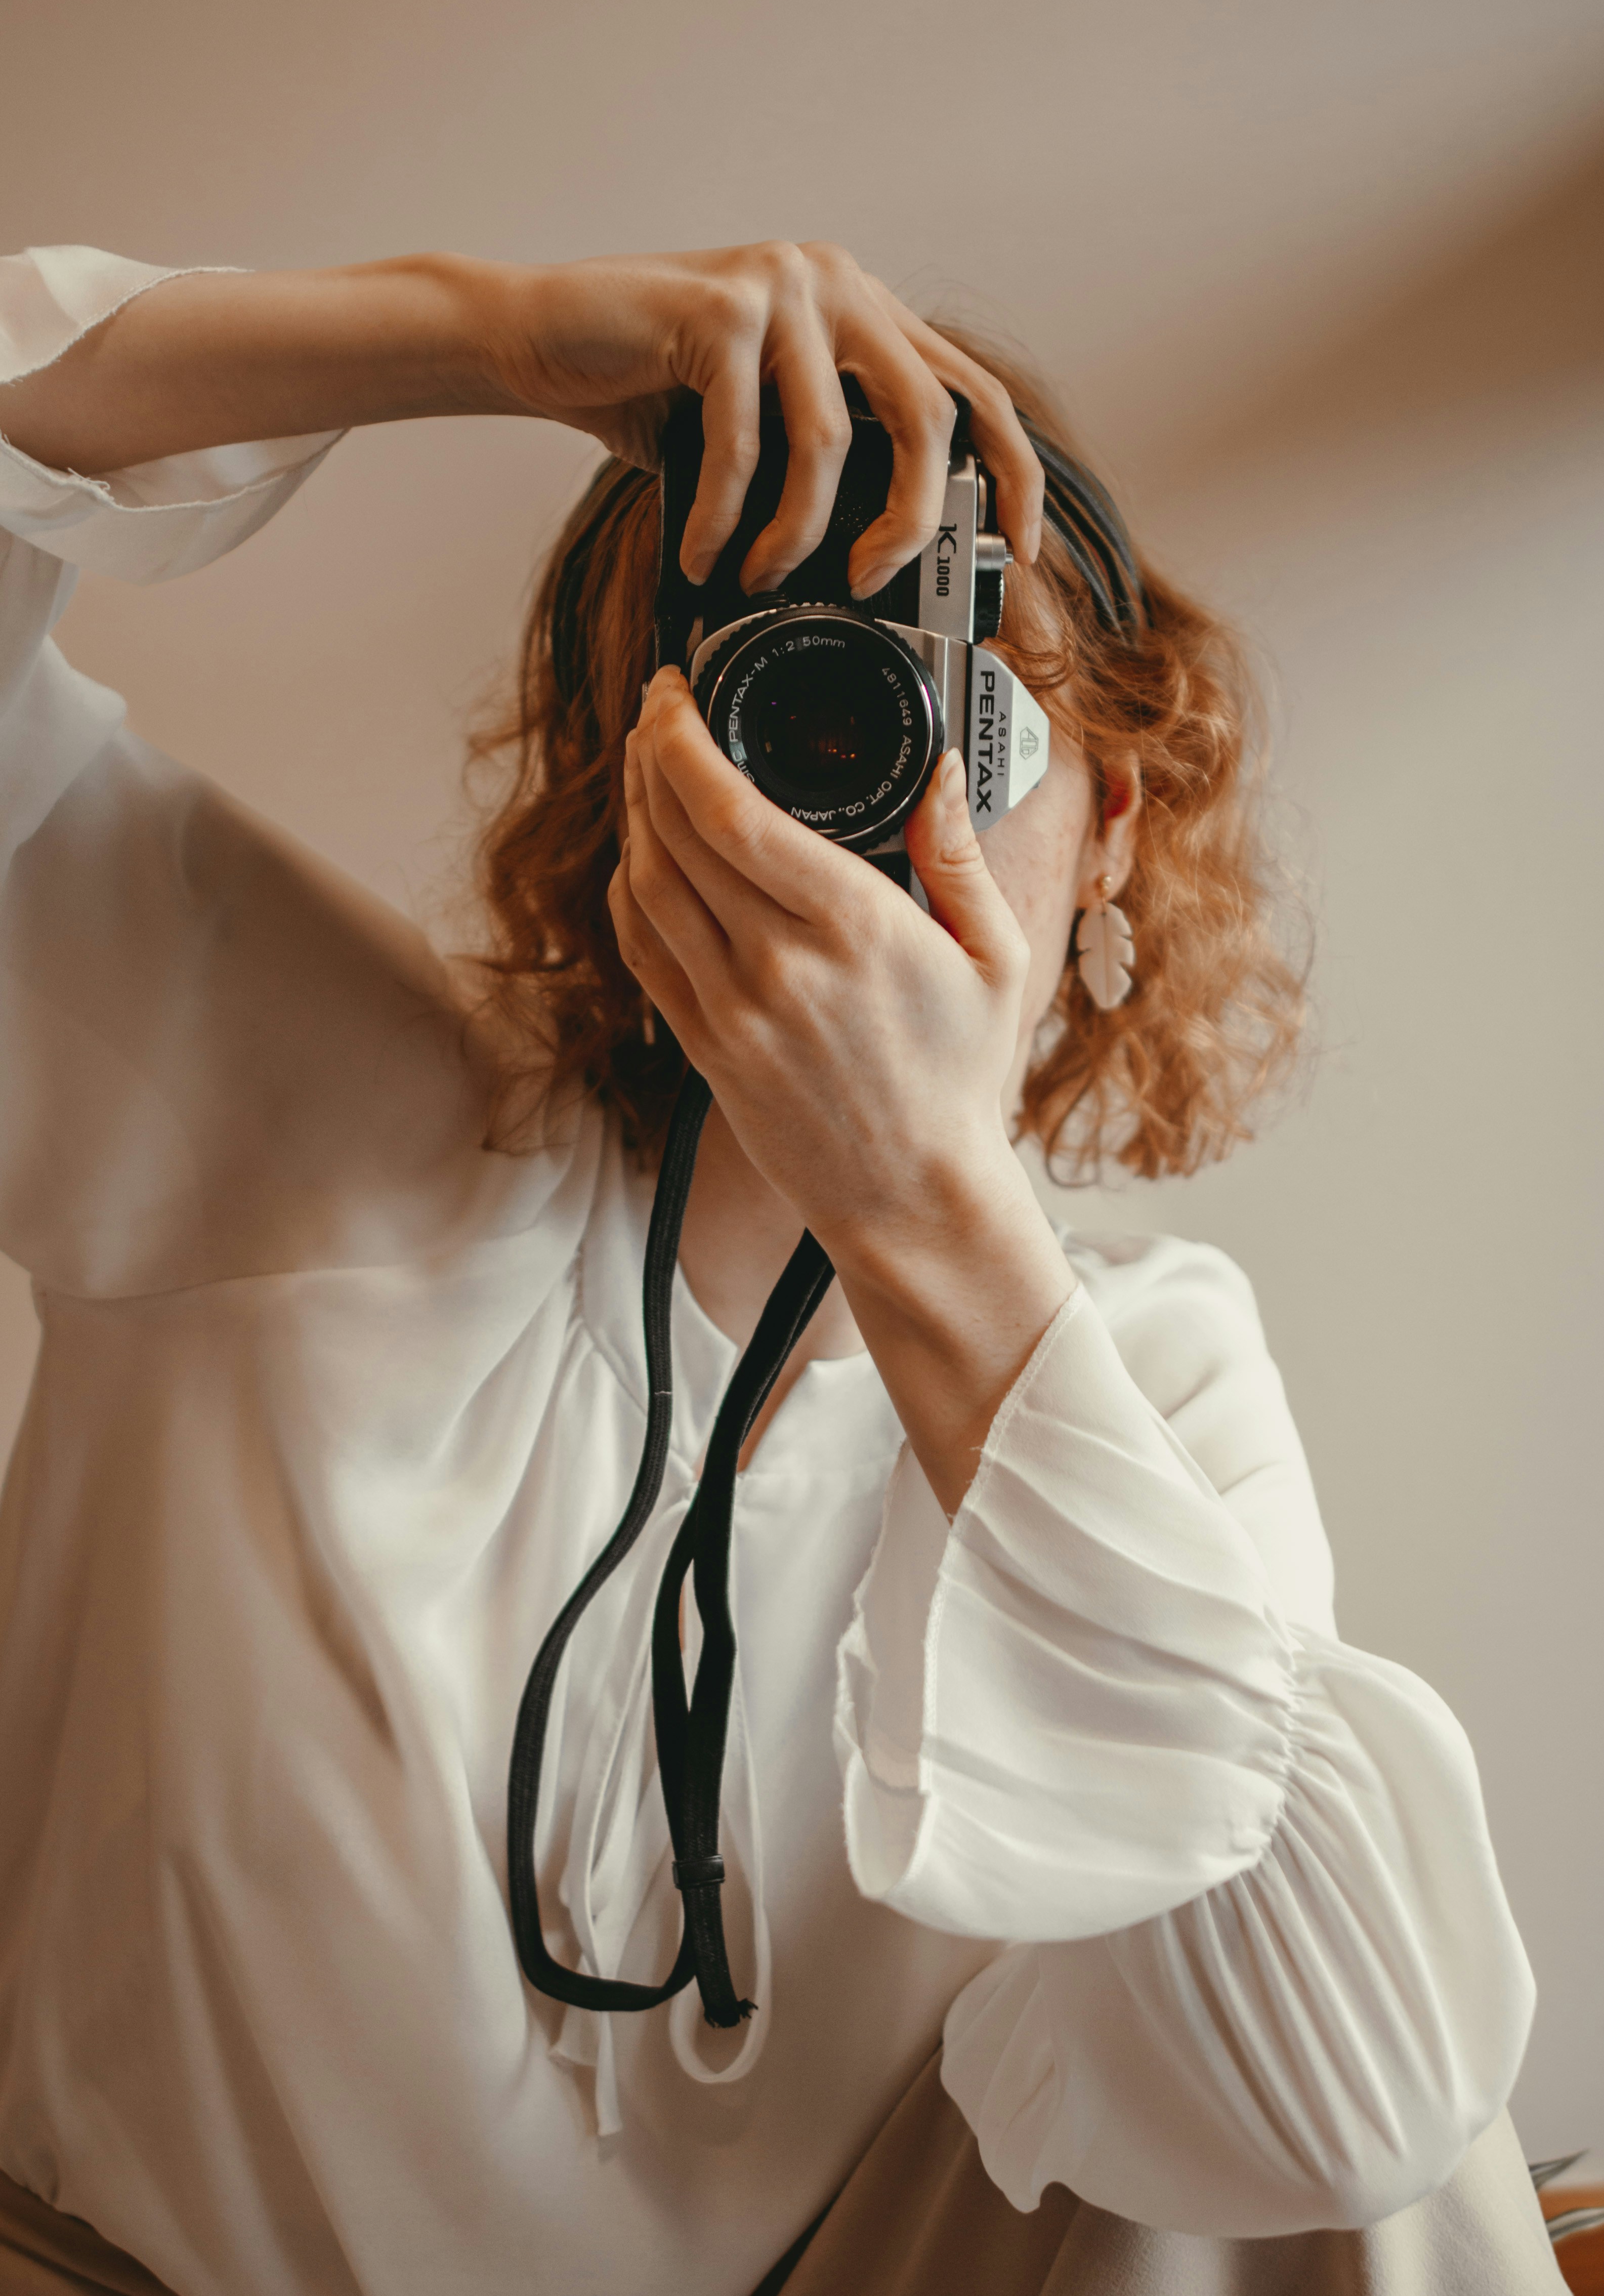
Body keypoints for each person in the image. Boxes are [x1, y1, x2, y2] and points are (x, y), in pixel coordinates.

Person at [0, 240, 1551, 2295]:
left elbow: (1348, 2128)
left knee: (1300, 1903)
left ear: (1109, 814)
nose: (859, 767)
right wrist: (501, 337)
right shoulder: (307, 1101)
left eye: (941, 677)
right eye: (784, 683)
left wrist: (926, 1210)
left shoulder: (1149, 1358)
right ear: (630, 772)